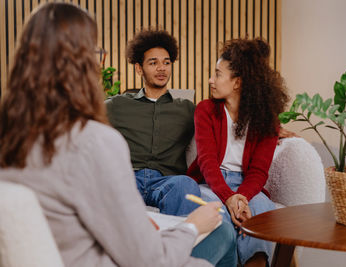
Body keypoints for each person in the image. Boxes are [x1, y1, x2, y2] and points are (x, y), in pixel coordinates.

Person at [0, 3, 237, 266]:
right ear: (85, 61)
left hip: (73, 249)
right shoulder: (98, 137)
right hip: (121, 257)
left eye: (166, 63)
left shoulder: (12, 138)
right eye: (96, 52)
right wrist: (192, 226)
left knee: (184, 188)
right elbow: (147, 258)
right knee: (223, 233)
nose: (161, 68)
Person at [187, 38, 289, 266]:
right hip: (211, 183)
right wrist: (229, 198)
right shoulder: (205, 110)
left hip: (249, 187)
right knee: (220, 217)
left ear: (237, 83)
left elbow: (259, 170)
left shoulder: (267, 119)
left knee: (263, 213)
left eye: (217, 74)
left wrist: (241, 199)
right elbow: (207, 162)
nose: (211, 80)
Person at [106, 29, 200, 216]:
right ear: (139, 68)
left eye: (166, 63)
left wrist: (272, 128)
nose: (162, 68)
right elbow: (78, 116)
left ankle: (179, 243)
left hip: (168, 181)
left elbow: (221, 123)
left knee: (186, 184)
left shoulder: (187, 108)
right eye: (153, 63)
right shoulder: (118, 104)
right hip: (128, 179)